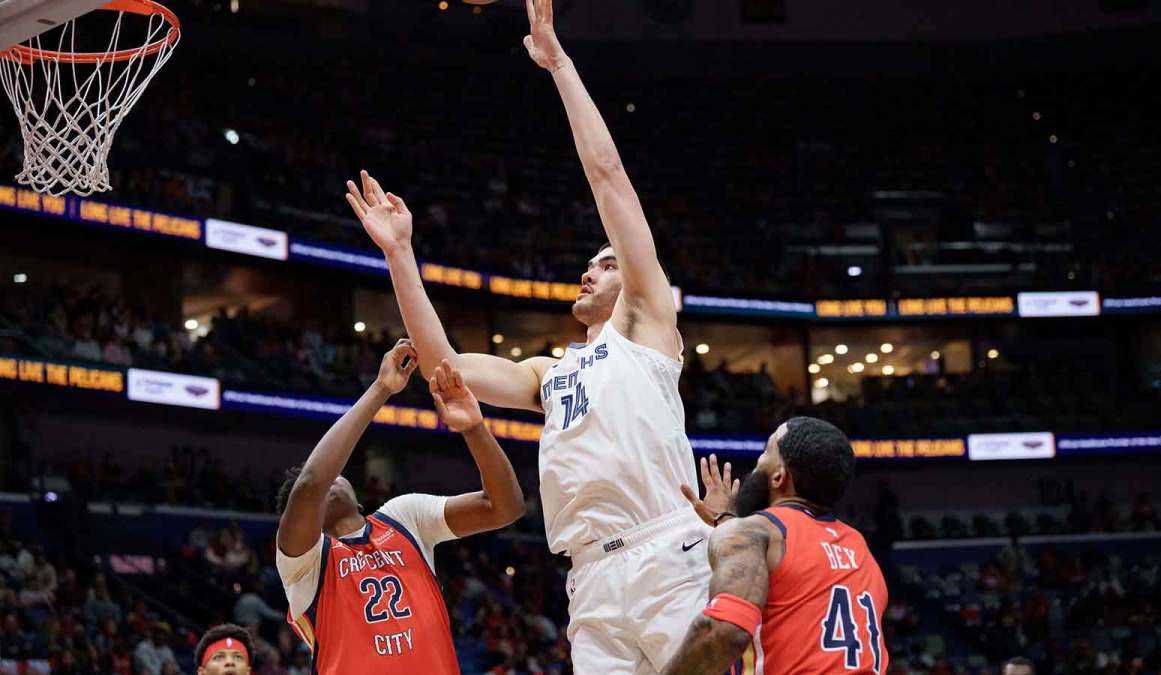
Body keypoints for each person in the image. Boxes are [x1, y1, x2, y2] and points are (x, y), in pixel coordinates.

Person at [343, 0, 713, 669]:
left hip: (667, 551)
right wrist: (400, 255)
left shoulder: (649, 324)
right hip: (590, 578)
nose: (588, 269)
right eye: (590, 262)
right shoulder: (551, 371)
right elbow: (445, 365)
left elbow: (608, 178)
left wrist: (559, 64)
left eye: (605, 263)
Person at [275, 340, 524, 673]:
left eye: (338, 474)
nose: (329, 480)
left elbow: (504, 508)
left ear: (360, 500)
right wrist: (380, 389)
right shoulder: (302, 565)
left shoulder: (403, 517)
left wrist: (475, 429)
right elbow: (310, 484)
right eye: (323, 480)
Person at [666, 417, 889, 674]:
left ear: (778, 477)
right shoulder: (858, 545)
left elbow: (724, 632)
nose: (757, 462)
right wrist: (726, 521)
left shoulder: (755, 532)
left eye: (765, 453)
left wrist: (731, 527)